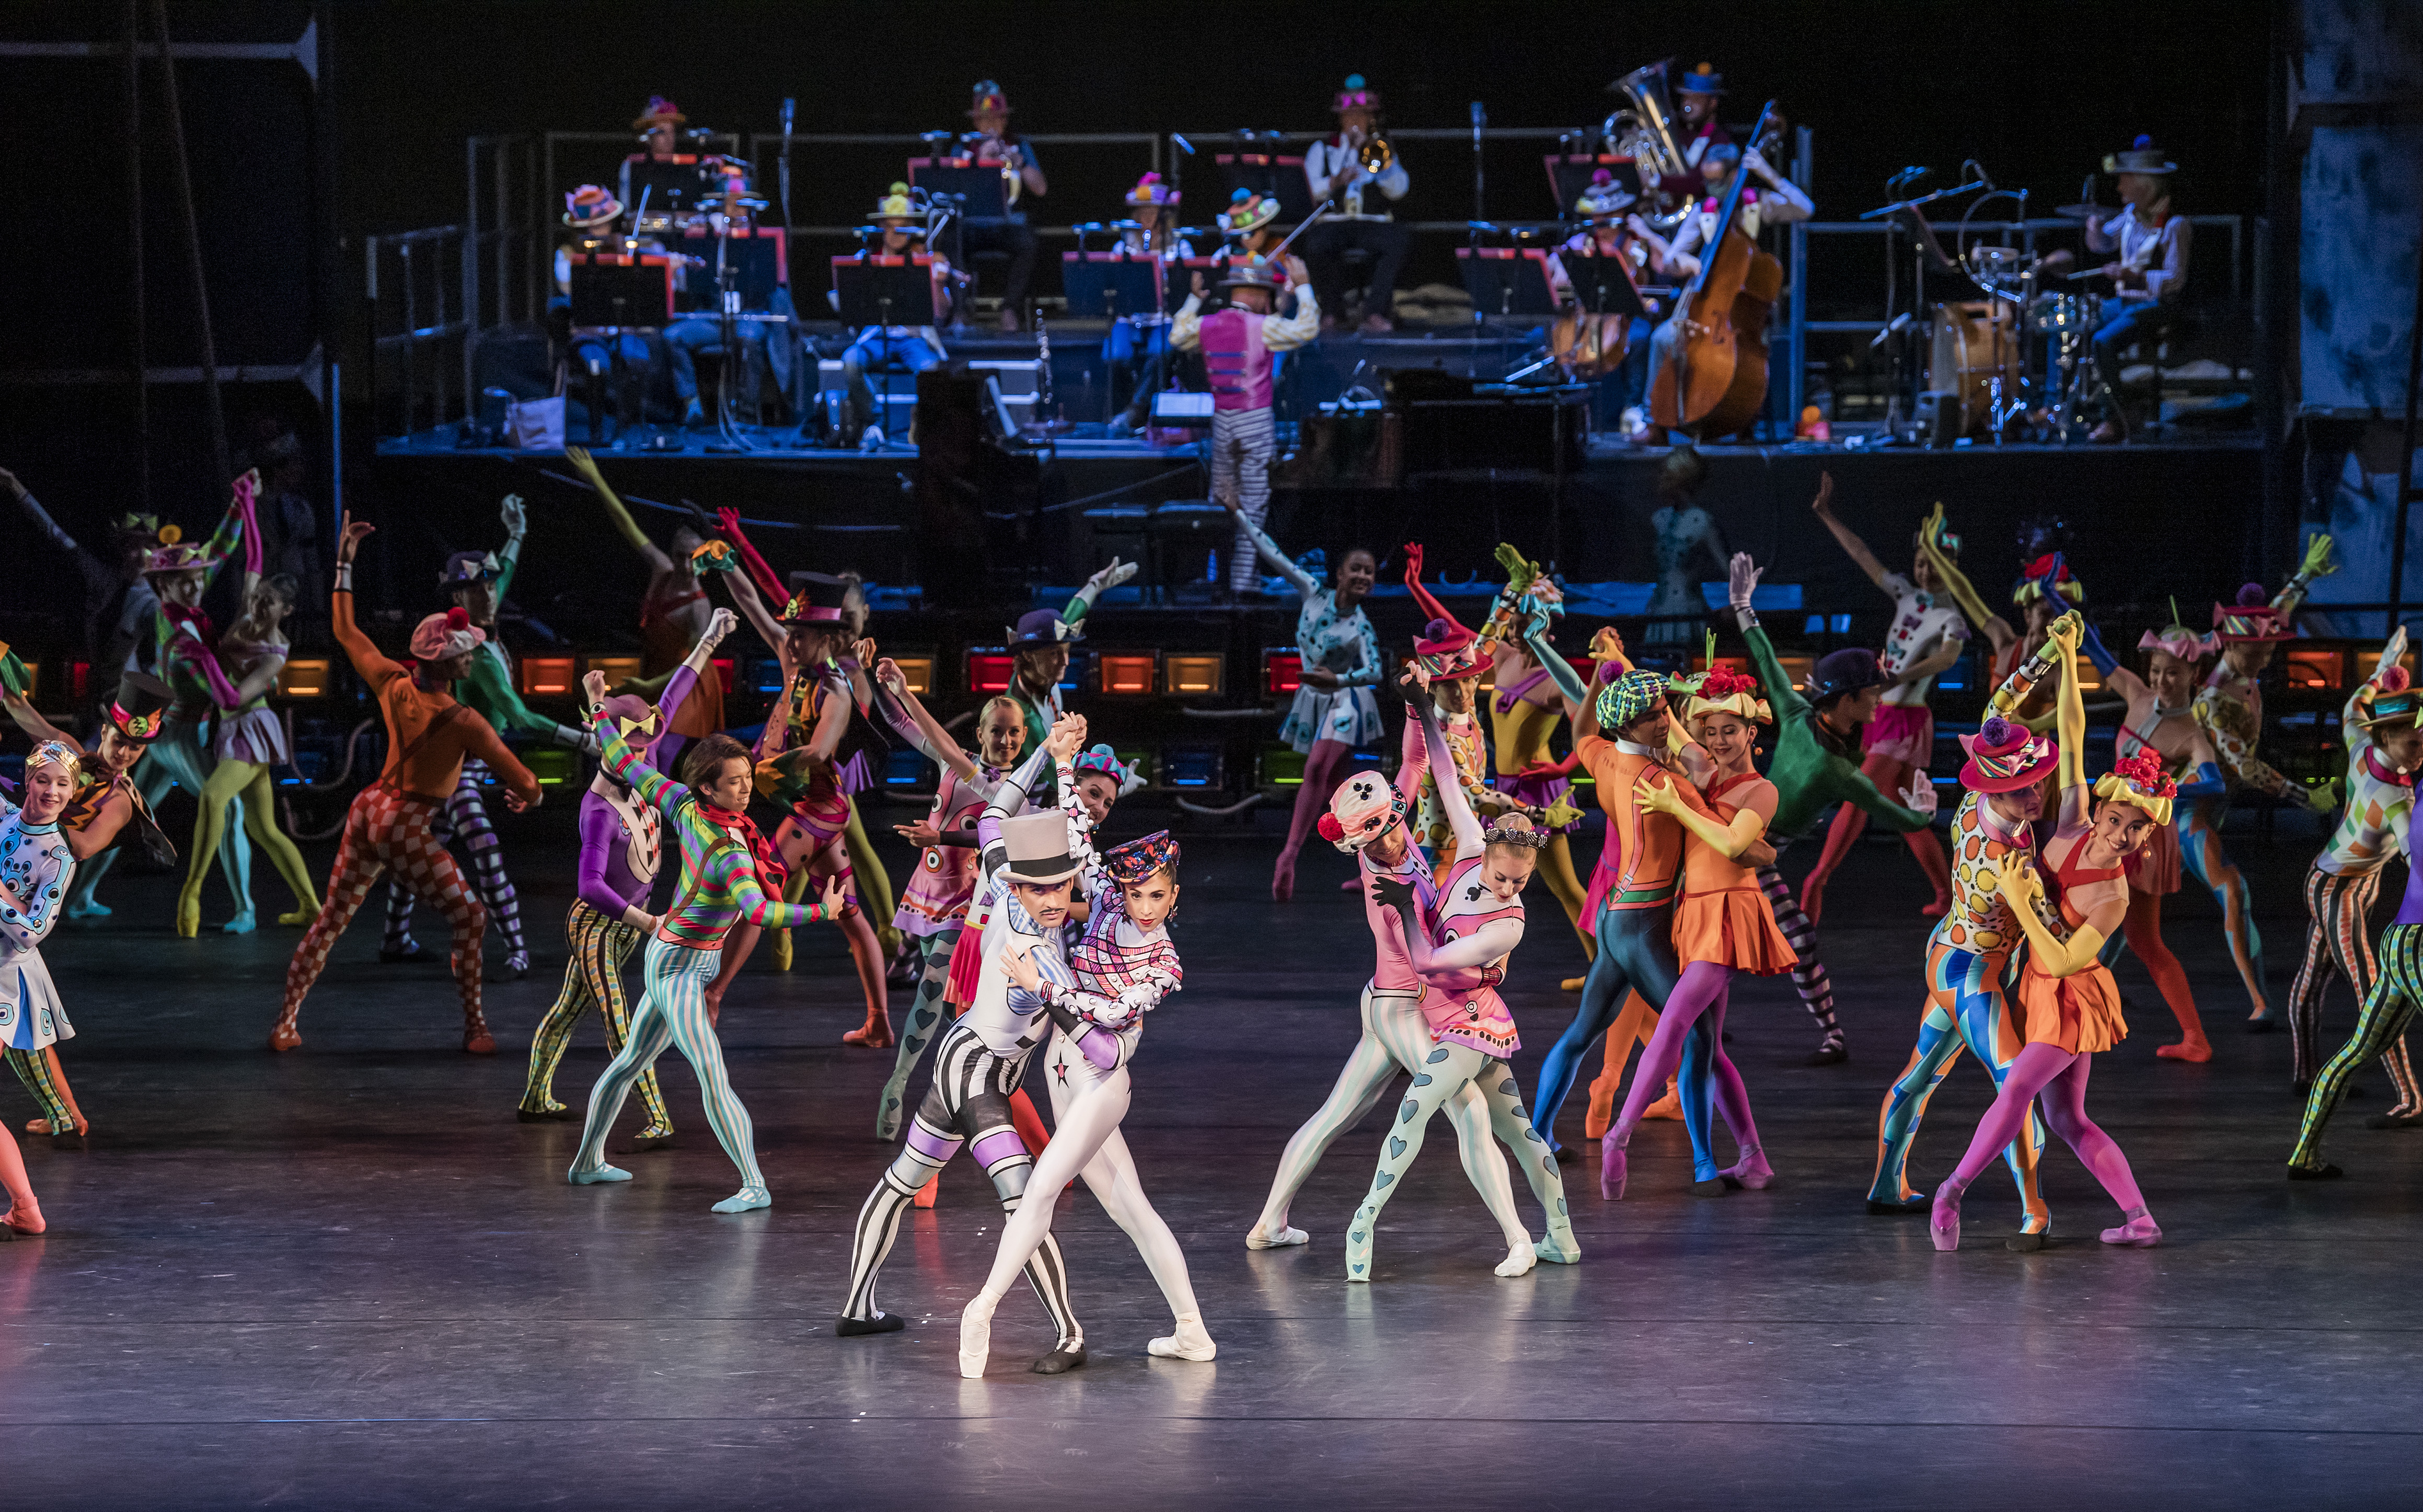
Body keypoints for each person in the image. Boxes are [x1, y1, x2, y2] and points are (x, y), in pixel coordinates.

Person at [1248, 698, 1576, 1266]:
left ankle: (1267, 1222)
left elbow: (1422, 765)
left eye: (1394, 825)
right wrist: (1486, 970)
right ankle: (1519, 1238)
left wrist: (1415, 708)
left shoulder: (1422, 842)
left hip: (1395, 1004)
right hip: (1404, 1006)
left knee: (1336, 1114)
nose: (1391, 839)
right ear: (1358, 846)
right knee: (1470, 1112)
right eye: (1375, 838)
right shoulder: (1384, 889)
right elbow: (1427, 965)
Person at [839, 728, 1091, 1373]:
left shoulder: (1005, 876)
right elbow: (1092, 1033)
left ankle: (858, 1306)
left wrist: (1046, 751)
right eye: (1048, 890)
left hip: (961, 1057)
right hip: (977, 1073)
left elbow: (1000, 808)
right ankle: (1068, 1332)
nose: (1058, 900)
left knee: (905, 1179)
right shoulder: (1036, 951)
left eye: (1064, 887)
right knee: (1023, 1200)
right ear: (1025, 888)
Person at [566, 671, 847, 1214]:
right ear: (708, 789)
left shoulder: (681, 804)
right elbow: (759, 911)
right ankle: (754, 1184)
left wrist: (599, 707)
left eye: (747, 778)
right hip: (678, 966)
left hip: (674, 955)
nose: (745, 789)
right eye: (735, 782)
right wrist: (823, 909)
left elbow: (623, 761)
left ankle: (586, 1163)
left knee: (629, 1062)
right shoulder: (729, 850)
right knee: (709, 1070)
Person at [271, 513, 543, 1055]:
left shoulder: (393, 681)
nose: (472, 654)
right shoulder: (465, 721)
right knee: (470, 914)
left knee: (331, 920)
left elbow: (346, 631)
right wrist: (526, 796)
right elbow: (528, 780)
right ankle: (475, 1027)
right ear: (447, 662)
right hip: (406, 821)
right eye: (466, 650)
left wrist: (345, 563)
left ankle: (286, 1022)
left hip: (368, 808)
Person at [1931, 642, 2167, 1251]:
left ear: (2146, 838)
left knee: (2016, 1091)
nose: (2118, 833)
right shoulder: (2070, 824)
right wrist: (2067, 661)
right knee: (2067, 1118)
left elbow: (2063, 957)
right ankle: (2139, 1217)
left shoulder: (2112, 895)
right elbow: (2073, 727)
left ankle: (1952, 1190)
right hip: (2038, 984)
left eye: (2134, 828)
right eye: (2115, 818)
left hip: (2069, 994)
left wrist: (2016, 894)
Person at [959, 830, 1216, 1375]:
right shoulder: (1102, 903)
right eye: (1137, 894)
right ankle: (1192, 1331)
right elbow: (1075, 828)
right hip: (1062, 1073)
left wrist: (1043, 987)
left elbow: (1110, 1013)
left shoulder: (1164, 963)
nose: (1145, 908)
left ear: (1175, 897)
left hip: (1101, 1084)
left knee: (1040, 1188)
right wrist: (1061, 760)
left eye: (1158, 896)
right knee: (1133, 1211)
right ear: (1121, 891)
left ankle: (981, 1308)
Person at [1348, 671, 1578, 1279]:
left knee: (1412, 1114)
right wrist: (1425, 711)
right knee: (1518, 1129)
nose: (1506, 886)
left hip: (1465, 1025)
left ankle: (1364, 1223)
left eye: (1520, 881)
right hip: (1451, 1016)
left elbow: (1427, 962)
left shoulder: (1510, 924)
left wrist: (1404, 911)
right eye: (1502, 875)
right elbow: (1447, 776)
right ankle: (1561, 1237)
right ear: (1489, 854)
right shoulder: (1475, 845)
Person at [1867, 613, 2077, 1243]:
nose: (2035, 797)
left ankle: (1885, 1184)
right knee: (2014, 1086)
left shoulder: (1972, 803)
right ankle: (2033, 1207)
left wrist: (2046, 659)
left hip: (1951, 958)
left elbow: (1999, 708)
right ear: (1995, 790)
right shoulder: (2005, 862)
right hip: (1971, 973)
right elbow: (2049, 934)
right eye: (2021, 792)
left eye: (2035, 783)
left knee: (1921, 1072)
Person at [518, 609, 732, 1143]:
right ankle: (657, 1116)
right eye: (630, 749)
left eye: (644, 748)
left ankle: (534, 1096)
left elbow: (677, 692)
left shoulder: (643, 760)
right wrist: (646, 921)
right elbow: (590, 886)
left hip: (629, 927)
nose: (640, 757)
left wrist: (709, 638)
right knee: (619, 1015)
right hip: (597, 923)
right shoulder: (598, 809)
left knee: (569, 1008)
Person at [1716, 551, 1939, 1064]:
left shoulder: (1805, 723)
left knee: (1728, 938)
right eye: (1872, 692)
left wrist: (1743, 607)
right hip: (1742, 844)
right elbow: (1898, 818)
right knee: (1775, 937)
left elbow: (1768, 662)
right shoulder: (1835, 769)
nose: (1879, 700)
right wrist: (1924, 813)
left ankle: (1698, 1019)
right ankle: (1824, 1034)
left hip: (1750, 841)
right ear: (1844, 700)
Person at [384, 497, 598, 979]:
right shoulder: (475, 655)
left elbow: (506, 574)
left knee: (422, 843)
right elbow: (517, 715)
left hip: (466, 762)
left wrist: (516, 533)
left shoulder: (485, 617)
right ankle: (518, 948)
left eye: (489, 585)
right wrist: (584, 742)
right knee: (482, 845)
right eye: (477, 590)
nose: (489, 594)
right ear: (457, 599)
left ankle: (396, 936)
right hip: (454, 764)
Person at [1601, 662, 1792, 1200]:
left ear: (1752, 733)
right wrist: (1675, 691)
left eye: (1729, 730)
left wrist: (1672, 805)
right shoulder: (1707, 773)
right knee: (1710, 1049)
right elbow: (1673, 730)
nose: (1717, 740)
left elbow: (1733, 844)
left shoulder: (1761, 789)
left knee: (1675, 1025)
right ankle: (1753, 1158)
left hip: (1729, 914)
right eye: (1710, 732)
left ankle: (1621, 1133)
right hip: (1696, 911)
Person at [69, 478, 256, 924]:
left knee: (121, 812)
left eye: (198, 581)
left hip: (155, 724)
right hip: (176, 730)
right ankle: (246, 908)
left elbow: (221, 549)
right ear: (165, 584)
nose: (196, 589)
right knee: (228, 809)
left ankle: (79, 896)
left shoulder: (182, 597)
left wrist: (238, 504)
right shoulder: (172, 620)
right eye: (186, 583)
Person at [0, 669, 174, 1142]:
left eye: (136, 748)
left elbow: (80, 847)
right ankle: (66, 1115)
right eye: (120, 741)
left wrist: (35, 812)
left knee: (16, 1009)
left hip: (32, 889)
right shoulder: (69, 754)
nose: (125, 753)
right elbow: (23, 713)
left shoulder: (119, 799)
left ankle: (64, 1117)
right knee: (24, 1014)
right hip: (13, 858)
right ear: (106, 730)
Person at [866, 670, 1036, 1143]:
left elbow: (987, 831)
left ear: (1025, 738)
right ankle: (971, 1083)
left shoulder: (1010, 789)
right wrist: (872, 679)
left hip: (968, 900)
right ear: (979, 733)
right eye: (996, 730)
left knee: (931, 988)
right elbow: (902, 725)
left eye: (1014, 732)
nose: (1005, 739)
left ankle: (900, 1085)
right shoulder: (951, 762)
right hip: (928, 892)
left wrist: (939, 835)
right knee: (948, 1006)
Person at [2191, 544, 2344, 1028]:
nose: (2264, 658)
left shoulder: (2245, 667)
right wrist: (2306, 796)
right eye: (2254, 652)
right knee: (2233, 891)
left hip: (2213, 809)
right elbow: (2246, 766)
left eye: (2269, 650)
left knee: (2139, 926)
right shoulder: (2217, 699)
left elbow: (2273, 613)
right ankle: (2259, 1000)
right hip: (2183, 814)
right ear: (2231, 647)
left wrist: (2304, 575)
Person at [1798, 484, 1964, 921]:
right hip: (1882, 714)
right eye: (1921, 562)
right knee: (1907, 810)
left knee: (1859, 792)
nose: (1926, 571)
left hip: (1906, 720)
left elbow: (1947, 658)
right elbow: (1862, 554)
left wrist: (1897, 676)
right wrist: (1826, 514)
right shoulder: (1908, 597)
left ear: (1952, 568)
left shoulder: (1952, 617)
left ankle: (1820, 875)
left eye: (1935, 564)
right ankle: (1948, 893)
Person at [740, 576, 893, 1048]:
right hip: (819, 806)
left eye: (799, 634)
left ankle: (713, 996)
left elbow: (821, 748)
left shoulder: (839, 684)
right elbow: (756, 608)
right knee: (850, 913)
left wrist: (764, 768)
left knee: (759, 886)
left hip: (822, 805)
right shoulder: (802, 668)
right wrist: (729, 564)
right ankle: (879, 1022)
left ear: (826, 637)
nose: (788, 642)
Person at [2289, 637, 2423, 1119]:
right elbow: (2413, 852)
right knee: (2374, 987)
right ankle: (2410, 1096)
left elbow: (2353, 706)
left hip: (2357, 882)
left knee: (2314, 973)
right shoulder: (2394, 799)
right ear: (2387, 739)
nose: (2421, 747)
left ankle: (2305, 1072)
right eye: (2413, 740)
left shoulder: (2361, 743)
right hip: (2334, 886)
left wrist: (2385, 666)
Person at [2092, 609, 2234, 1062]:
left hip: (2143, 836)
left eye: (2172, 672)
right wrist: (2059, 603)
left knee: (2141, 940)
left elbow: (2215, 783)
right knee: (2105, 929)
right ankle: (2189, 1036)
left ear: (2194, 673)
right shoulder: (2137, 693)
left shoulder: (2192, 733)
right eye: (2156, 670)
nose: (2161, 679)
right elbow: (2094, 650)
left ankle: (2194, 1037)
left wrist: (2165, 786)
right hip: (2111, 827)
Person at [1222, 500, 1382, 901]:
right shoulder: (1312, 593)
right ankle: (1374, 867)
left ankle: (1288, 856)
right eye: (1357, 568)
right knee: (1341, 786)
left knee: (1315, 770)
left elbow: (1376, 670)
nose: (1363, 575)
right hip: (1315, 699)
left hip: (1346, 700)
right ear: (1341, 573)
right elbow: (1271, 553)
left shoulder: (1361, 625)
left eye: (1370, 572)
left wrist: (1339, 678)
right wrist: (1237, 512)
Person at [178, 564, 319, 940]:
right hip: (231, 727)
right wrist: (243, 505)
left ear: (285, 611)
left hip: (250, 728)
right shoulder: (246, 614)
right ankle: (312, 906)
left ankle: (192, 891)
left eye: (268, 602)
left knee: (213, 795)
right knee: (264, 828)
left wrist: (203, 656)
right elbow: (255, 560)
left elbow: (233, 697)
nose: (257, 605)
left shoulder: (276, 654)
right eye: (257, 598)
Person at [564, 446, 723, 770]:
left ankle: (657, 816)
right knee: (636, 751)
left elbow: (696, 665)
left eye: (693, 557)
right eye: (680, 555)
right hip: (655, 676)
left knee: (659, 756)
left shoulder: (699, 607)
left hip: (686, 682)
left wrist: (651, 686)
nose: (685, 565)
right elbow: (627, 525)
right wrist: (596, 479)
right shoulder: (663, 570)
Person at [1170, 256, 1320, 596]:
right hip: (1254, 423)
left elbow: (1177, 336)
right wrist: (1305, 288)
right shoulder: (1262, 327)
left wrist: (1194, 299)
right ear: (1255, 294)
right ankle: (1241, 584)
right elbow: (1307, 329)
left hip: (1223, 423)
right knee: (1252, 507)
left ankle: (1216, 577)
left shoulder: (1208, 324)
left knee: (1221, 500)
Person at [0, 739, 80, 1237]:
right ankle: (26, 1208)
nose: (51, 790)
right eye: (43, 779)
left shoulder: (58, 858)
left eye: (62, 783)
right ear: (27, 780)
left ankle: (28, 1207)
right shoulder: (6, 819)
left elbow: (31, 931)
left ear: (72, 794)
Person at [2082, 137, 2191, 444]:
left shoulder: (2175, 224)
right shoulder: (2130, 216)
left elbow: (2175, 279)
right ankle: (2089, 404)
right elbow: (2104, 243)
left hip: (2159, 305)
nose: (2118, 188)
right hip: (2130, 301)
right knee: (2082, 320)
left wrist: (2133, 275)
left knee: (2103, 342)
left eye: (2123, 180)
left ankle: (2118, 418)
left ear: (2143, 184)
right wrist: (2094, 231)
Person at [834, 183, 955, 449]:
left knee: (932, 370)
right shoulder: (867, 259)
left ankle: (919, 424)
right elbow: (843, 304)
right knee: (851, 361)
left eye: (902, 226)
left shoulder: (925, 259)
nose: (895, 233)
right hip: (876, 336)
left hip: (913, 339)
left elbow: (943, 314)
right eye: (890, 226)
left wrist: (938, 283)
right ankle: (874, 421)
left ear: (911, 226)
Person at [1299, 74, 1411, 333]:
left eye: (1361, 116)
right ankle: (1332, 311)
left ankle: (1373, 311)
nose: (1355, 122)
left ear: (1371, 119)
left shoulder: (1380, 149)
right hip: (1334, 222)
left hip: (1372, 222)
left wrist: (1371, 153)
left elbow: (1399, 190)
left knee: (1398, 240)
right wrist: (1334, 181)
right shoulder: (1324, 149)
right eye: (1349, 117)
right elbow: (1308, 189)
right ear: (1340, 118)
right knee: (1316, 242)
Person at [552, 184, 656, 440]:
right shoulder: (567, 255)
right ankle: (597, 430)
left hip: (623, 328)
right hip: (589, 332)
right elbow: (568, 289)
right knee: (597, 364)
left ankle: (629, 427)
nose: (601, 231)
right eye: (595, 226)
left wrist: (627, 258)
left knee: (636, 358)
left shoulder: (623, 248)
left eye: (606, 224)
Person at [1103, 172, 1193, 434]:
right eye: (1141, 212)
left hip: (1163, 318)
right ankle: (1132, 406)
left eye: (1152, 211)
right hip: (1130, 318)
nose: (1146, 218)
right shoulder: (1124, 247)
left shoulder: (1180, 247)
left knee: (1161, 352)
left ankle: (1136, 409)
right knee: (1115, 355)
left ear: (1165, 215)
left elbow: (1185, 289)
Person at [957, 80, 1045, 331]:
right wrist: (981, 161)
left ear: (1005, 121)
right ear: (976, 123)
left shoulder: (1019, 146)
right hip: (972, 226)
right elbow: (952, 191)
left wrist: (1018, 162)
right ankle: (959, 313)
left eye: (997, 119)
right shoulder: (962, 148)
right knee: (950, 241)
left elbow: (1041, 189)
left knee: (1028, 243)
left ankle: (1009, 309)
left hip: (1006, 225)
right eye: (985, 120)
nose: (992, 125)